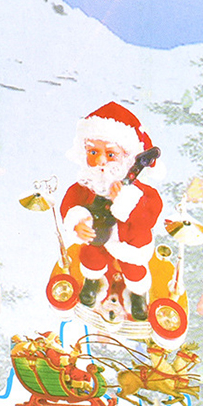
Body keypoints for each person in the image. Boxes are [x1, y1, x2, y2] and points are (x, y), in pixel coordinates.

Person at [59, 102, 163, 322]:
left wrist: (127, 201)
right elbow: (70, 203)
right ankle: (92, 281)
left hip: (129, 244)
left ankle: (137, 294)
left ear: (127, 156)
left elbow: (150, 214)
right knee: (90, 257)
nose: (100, 161)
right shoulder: (86, 186)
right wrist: (77, 222)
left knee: (134, 269)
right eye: (93, 152)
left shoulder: (139, 192)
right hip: (97, 237)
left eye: (110, 154)